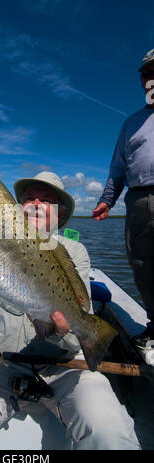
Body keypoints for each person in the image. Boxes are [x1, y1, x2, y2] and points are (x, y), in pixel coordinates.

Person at [0, 171, 139, 450]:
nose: (35, 203)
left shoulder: (75, 251)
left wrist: (65, 331)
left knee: (111, 434)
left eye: (46, 200)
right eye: (28, 198)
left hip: (65, 366)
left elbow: (78, 318)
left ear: (60, 215)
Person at [92, 49, 154, 349]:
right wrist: (108, 200)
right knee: (143, 267)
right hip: (138, 200)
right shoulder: (131, 124)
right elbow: (118, 169)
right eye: (147, 73)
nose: (151, 78)